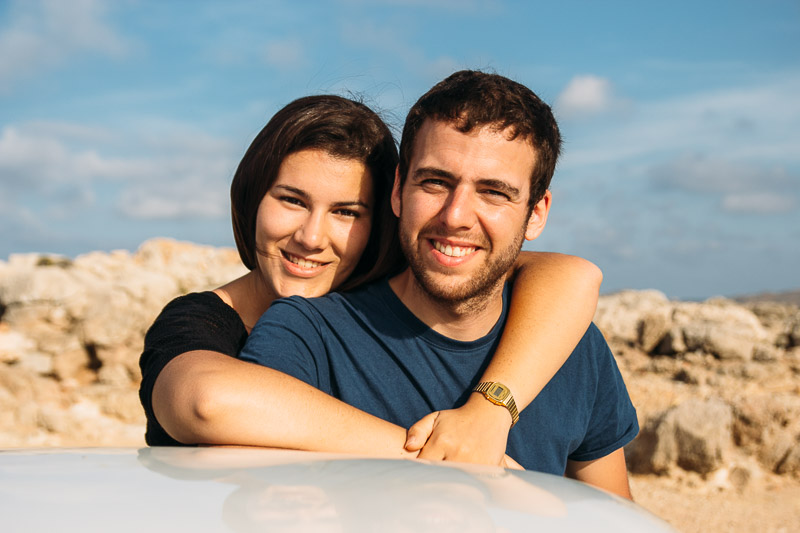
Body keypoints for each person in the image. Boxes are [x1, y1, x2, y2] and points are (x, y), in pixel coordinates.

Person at [139, 93, 603, 464]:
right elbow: (207, 401)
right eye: (292, 201)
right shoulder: (202, 321)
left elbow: (571, 274)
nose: (311, 236)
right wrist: (439, 454)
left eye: (346, 212)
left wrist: (489, 411)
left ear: (384, 212)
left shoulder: (376, 305)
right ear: (251, 198)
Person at [238, 71, 638, 498]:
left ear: (536, 213)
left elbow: (616, 513)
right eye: (435, 182)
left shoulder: (572, 346)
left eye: (493, 192)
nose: (455, 216)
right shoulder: (308, 336)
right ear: (397, 191)